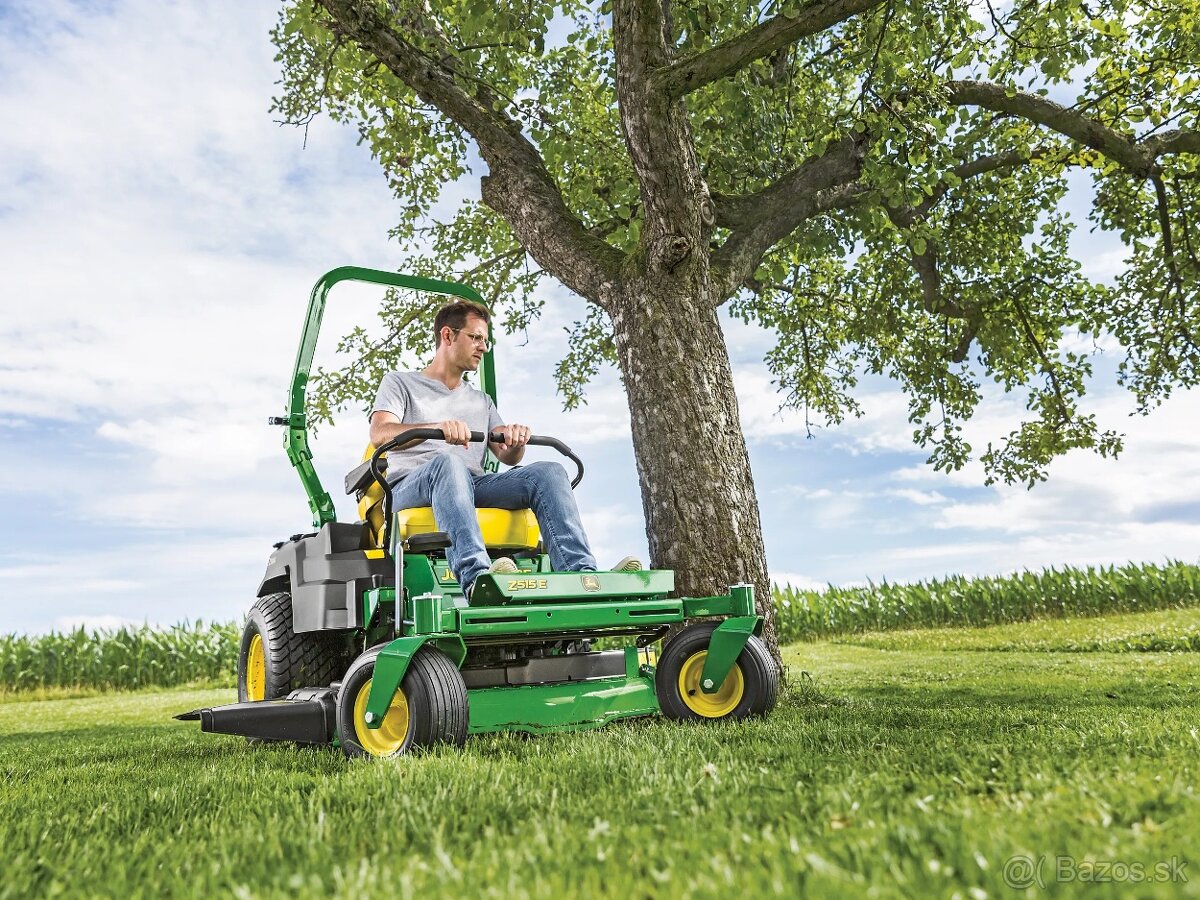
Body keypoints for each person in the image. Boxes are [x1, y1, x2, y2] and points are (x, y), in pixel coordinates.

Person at [369, 299, 641, 601]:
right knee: (448, 463)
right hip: (412, 486)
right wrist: (437, 429)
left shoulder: (480, 401)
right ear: (448, 336)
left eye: (485, 340)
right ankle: (478, 580)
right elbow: (381, 433)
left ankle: (581, 575)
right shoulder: (401, 383)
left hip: (471, 485)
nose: (483, 347)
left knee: (549, 472)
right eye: (475, 337)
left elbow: (507, 456)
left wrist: (514, 440)